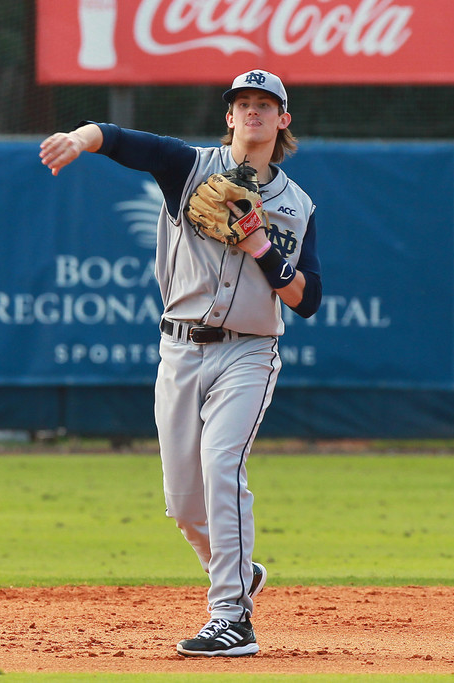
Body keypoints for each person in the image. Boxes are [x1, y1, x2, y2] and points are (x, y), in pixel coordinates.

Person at [39, 69, 322, 657]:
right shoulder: (190, 168)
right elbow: (120, 139)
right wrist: (79, 138)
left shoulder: (297, 206)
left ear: (283, 120)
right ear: (228, 116)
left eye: (264, 105)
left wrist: (261, 248)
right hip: (179, 349)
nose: (252, 112)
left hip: (248, 352)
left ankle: (231, 618)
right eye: (242, 103)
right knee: (184, 502)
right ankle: (240, 575)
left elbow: (308, 300)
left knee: (222, 468)